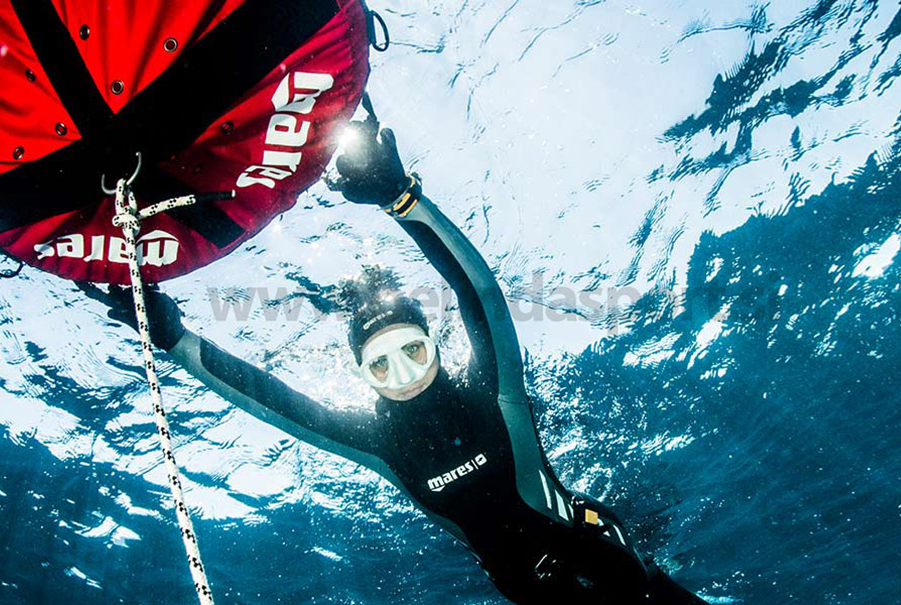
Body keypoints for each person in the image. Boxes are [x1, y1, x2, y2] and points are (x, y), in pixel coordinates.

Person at [104, 118, 705, 604]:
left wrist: (405, 200)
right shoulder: (375, 442)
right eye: (382, 365)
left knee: (636, 588)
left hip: (593, 543)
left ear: (436, 346)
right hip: (529, 590)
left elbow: (481, 296)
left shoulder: (491, 392)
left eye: (412, 351)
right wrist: (174, 341)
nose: (406, 374)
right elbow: (271, 401)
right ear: (362, 375)